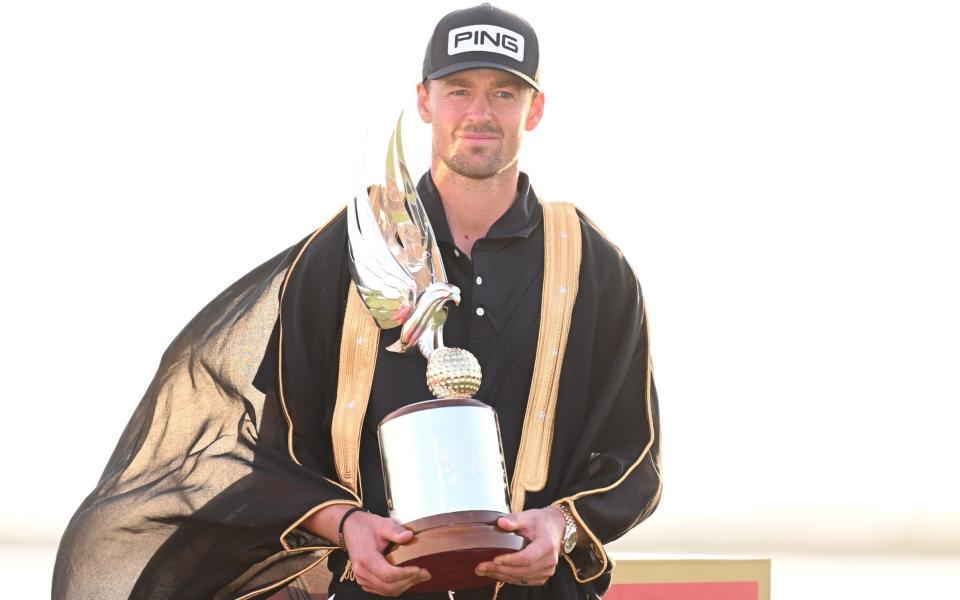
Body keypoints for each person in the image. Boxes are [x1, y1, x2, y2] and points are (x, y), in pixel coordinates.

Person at [53, 4, 661, 600]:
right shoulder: (347, 249)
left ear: (536, 109)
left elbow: (636, 455)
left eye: (505, 93)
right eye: (458, 90)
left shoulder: (592, 264)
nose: (480, 113)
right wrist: (347, 525)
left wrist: (561, 525)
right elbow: (273, 445)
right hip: (373, 588)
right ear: (424, 100)